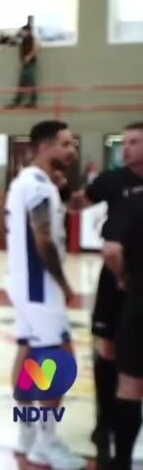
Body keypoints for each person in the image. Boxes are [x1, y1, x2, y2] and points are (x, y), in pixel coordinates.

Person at [4, 120, 84, 470]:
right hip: (40, 286)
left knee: (27, 350)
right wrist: (64, 284)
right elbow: (44, 239)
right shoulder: (37, 186)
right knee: (60, 357)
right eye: (66, 144)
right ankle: (46, 443)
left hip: (23, 282)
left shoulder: (27, 181)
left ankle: (27, 432)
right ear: (45, 146)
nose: (72, 151)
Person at [74, 122, 143, 467]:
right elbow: (76, 204)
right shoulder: (112, 180)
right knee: (108, 349)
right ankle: (105, 423)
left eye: (134, 142)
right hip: (117, 279)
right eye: (124, 142)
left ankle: (122, 430)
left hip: (134, 280)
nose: (126, 148)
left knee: (132, 365)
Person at [100, 185, 143, 470]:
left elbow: (112, 250)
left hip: (139, 299)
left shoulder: (132, 201)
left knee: (130, 386)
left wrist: (124, 277)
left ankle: (122, 461)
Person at [7, 25, 41, 109]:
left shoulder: (32, 38)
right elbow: (11, 43)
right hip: (25, 64)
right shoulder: (23, 39)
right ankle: (17, 102)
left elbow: (37, 47)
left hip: (30, 64)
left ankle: (33, 102)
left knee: (31, 83)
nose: (21, 32)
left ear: (27, 31)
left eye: (23, 31)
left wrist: (29, 56)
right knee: (22, 83)